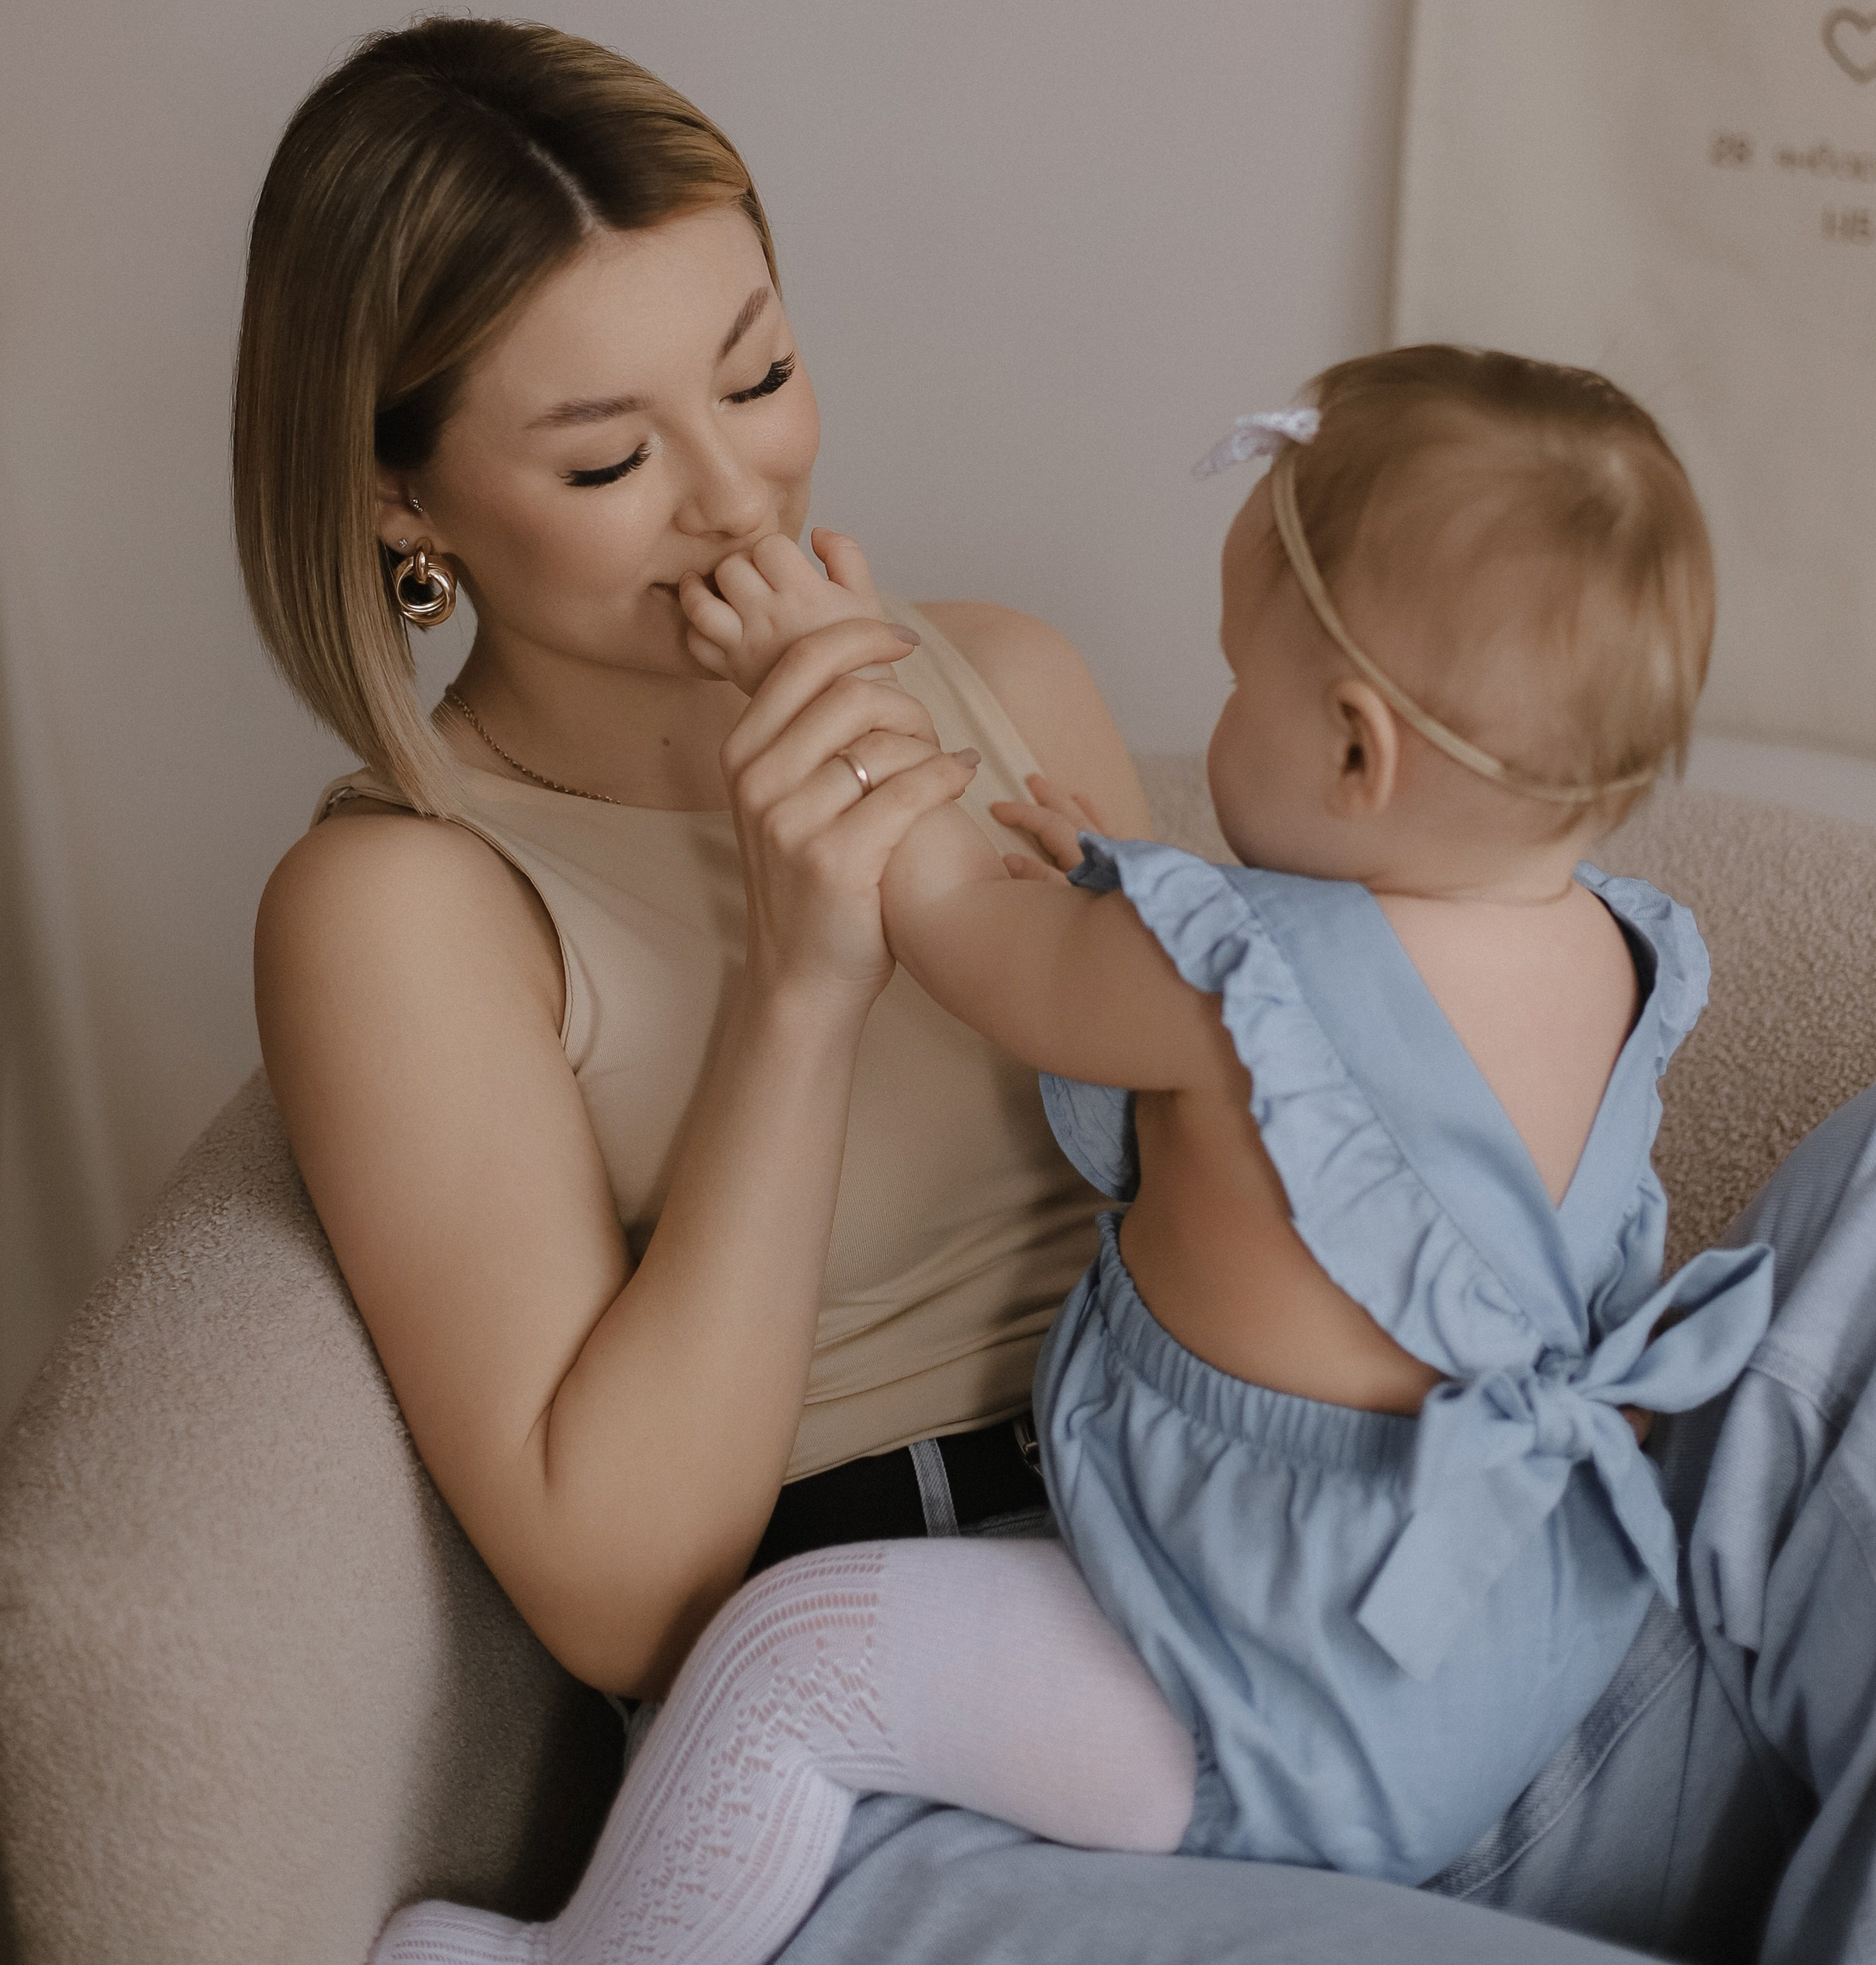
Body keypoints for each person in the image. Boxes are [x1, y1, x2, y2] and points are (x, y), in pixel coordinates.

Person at [244, 19, 1876, 1965]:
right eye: (609, 455)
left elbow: (1306, 1080)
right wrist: (802, 991)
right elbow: (628, 1598)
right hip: (937, 1745)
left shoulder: (994, 672)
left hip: (1390, 1623)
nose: (736, 497)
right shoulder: (405, 896)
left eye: (762, 372)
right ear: (406, 503)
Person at [376, 346, 1782, 1963]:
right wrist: (1130, 896)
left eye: (1234, 685)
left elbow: (965, 934)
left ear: (1352, 755)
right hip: (1495, 1649)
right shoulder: (1616, 957)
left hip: (1236, 1660)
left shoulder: (1221, 967)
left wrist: (830, 681)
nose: (1208, 724)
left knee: (792, 1661)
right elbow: (1335, 1100)